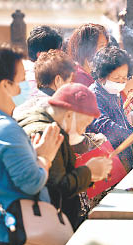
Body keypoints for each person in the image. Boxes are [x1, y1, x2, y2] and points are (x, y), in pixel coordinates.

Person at [0, 43, 64, 245]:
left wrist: (31, 156)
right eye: (21, 81)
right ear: (5, 85)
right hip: (8, 233)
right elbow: (31, 182)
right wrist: (45, 157)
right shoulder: (4, 128)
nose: (26, 87)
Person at [17, 84, 113, 230]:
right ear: (69, 115)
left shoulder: (47, 124)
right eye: (84, 124)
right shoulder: (47, 133)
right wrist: (89, 172)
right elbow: (57, 190)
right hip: (46, 228)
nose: (83, 131)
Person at [87, 46, 133, 170]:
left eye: (124, 78)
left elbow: (123, 124)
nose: (121, 83)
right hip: (105, 165)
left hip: (124, 159)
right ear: (101, 76)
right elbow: (106, 126)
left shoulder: (113, 93)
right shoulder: (93, 95)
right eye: (116, 78)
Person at [13, 49, 75, 115]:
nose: (72, 85)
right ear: (58, 80)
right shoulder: (59, 111)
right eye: (70, 81)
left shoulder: (20, 108)